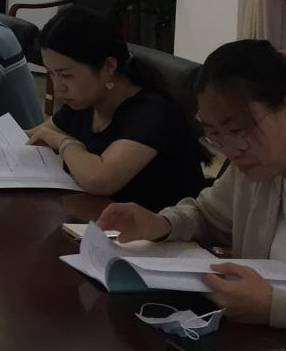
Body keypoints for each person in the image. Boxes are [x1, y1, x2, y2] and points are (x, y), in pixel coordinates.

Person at [0, 6, 207, 210]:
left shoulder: (152, 113)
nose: (58, 87)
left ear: (108, 67)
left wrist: (64, 142)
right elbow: (31, 137)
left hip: (161, 246)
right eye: (51, 74)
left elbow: (100, 179)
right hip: (98, 225)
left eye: (66, 75)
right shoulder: (87, 100)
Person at [98, 40, 286, 326]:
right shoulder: (254, 172)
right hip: (250, 342)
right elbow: (206, 215)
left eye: (237, 130)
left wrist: (272, 306)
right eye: (215, 135)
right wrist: (160, 224)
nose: (231, 150)